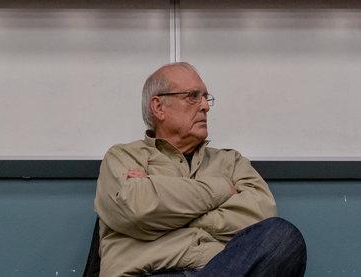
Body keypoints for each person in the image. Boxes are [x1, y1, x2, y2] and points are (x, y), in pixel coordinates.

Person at [94, 62, 306, 277]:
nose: (205, 105)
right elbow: (136, 209)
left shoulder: (231, 161)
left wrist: (168, 212)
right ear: (158, 107)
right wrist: (222, 188)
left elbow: (261, 215)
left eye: (206, 97)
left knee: (281, 236)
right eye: (192, 96)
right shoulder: (123, 156)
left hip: (218, 270)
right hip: (145, 273)